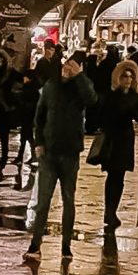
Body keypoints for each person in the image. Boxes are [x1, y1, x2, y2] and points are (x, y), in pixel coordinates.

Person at [25, 48, 94, 262]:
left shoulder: (80, 88)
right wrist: (38, 143)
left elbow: (92, 100)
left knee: (68, 199)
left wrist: (80, 77)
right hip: (49, 152)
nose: (67, 69)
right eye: (66, 65)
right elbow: (39, 116)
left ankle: (66, 246)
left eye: (72, 67)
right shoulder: (51, 86)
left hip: (70, 152)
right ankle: (35, 245)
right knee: (43, 200)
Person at [91, 59, 138, 240]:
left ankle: (111, 211)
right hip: (113, 140)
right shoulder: (111, 96)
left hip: (126, 140)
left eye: (130, 76)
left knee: (120, 178)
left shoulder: (134, 96)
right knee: (114, 176)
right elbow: (103, 117)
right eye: (125, 76)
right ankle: (109, 211)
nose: (127, 80)